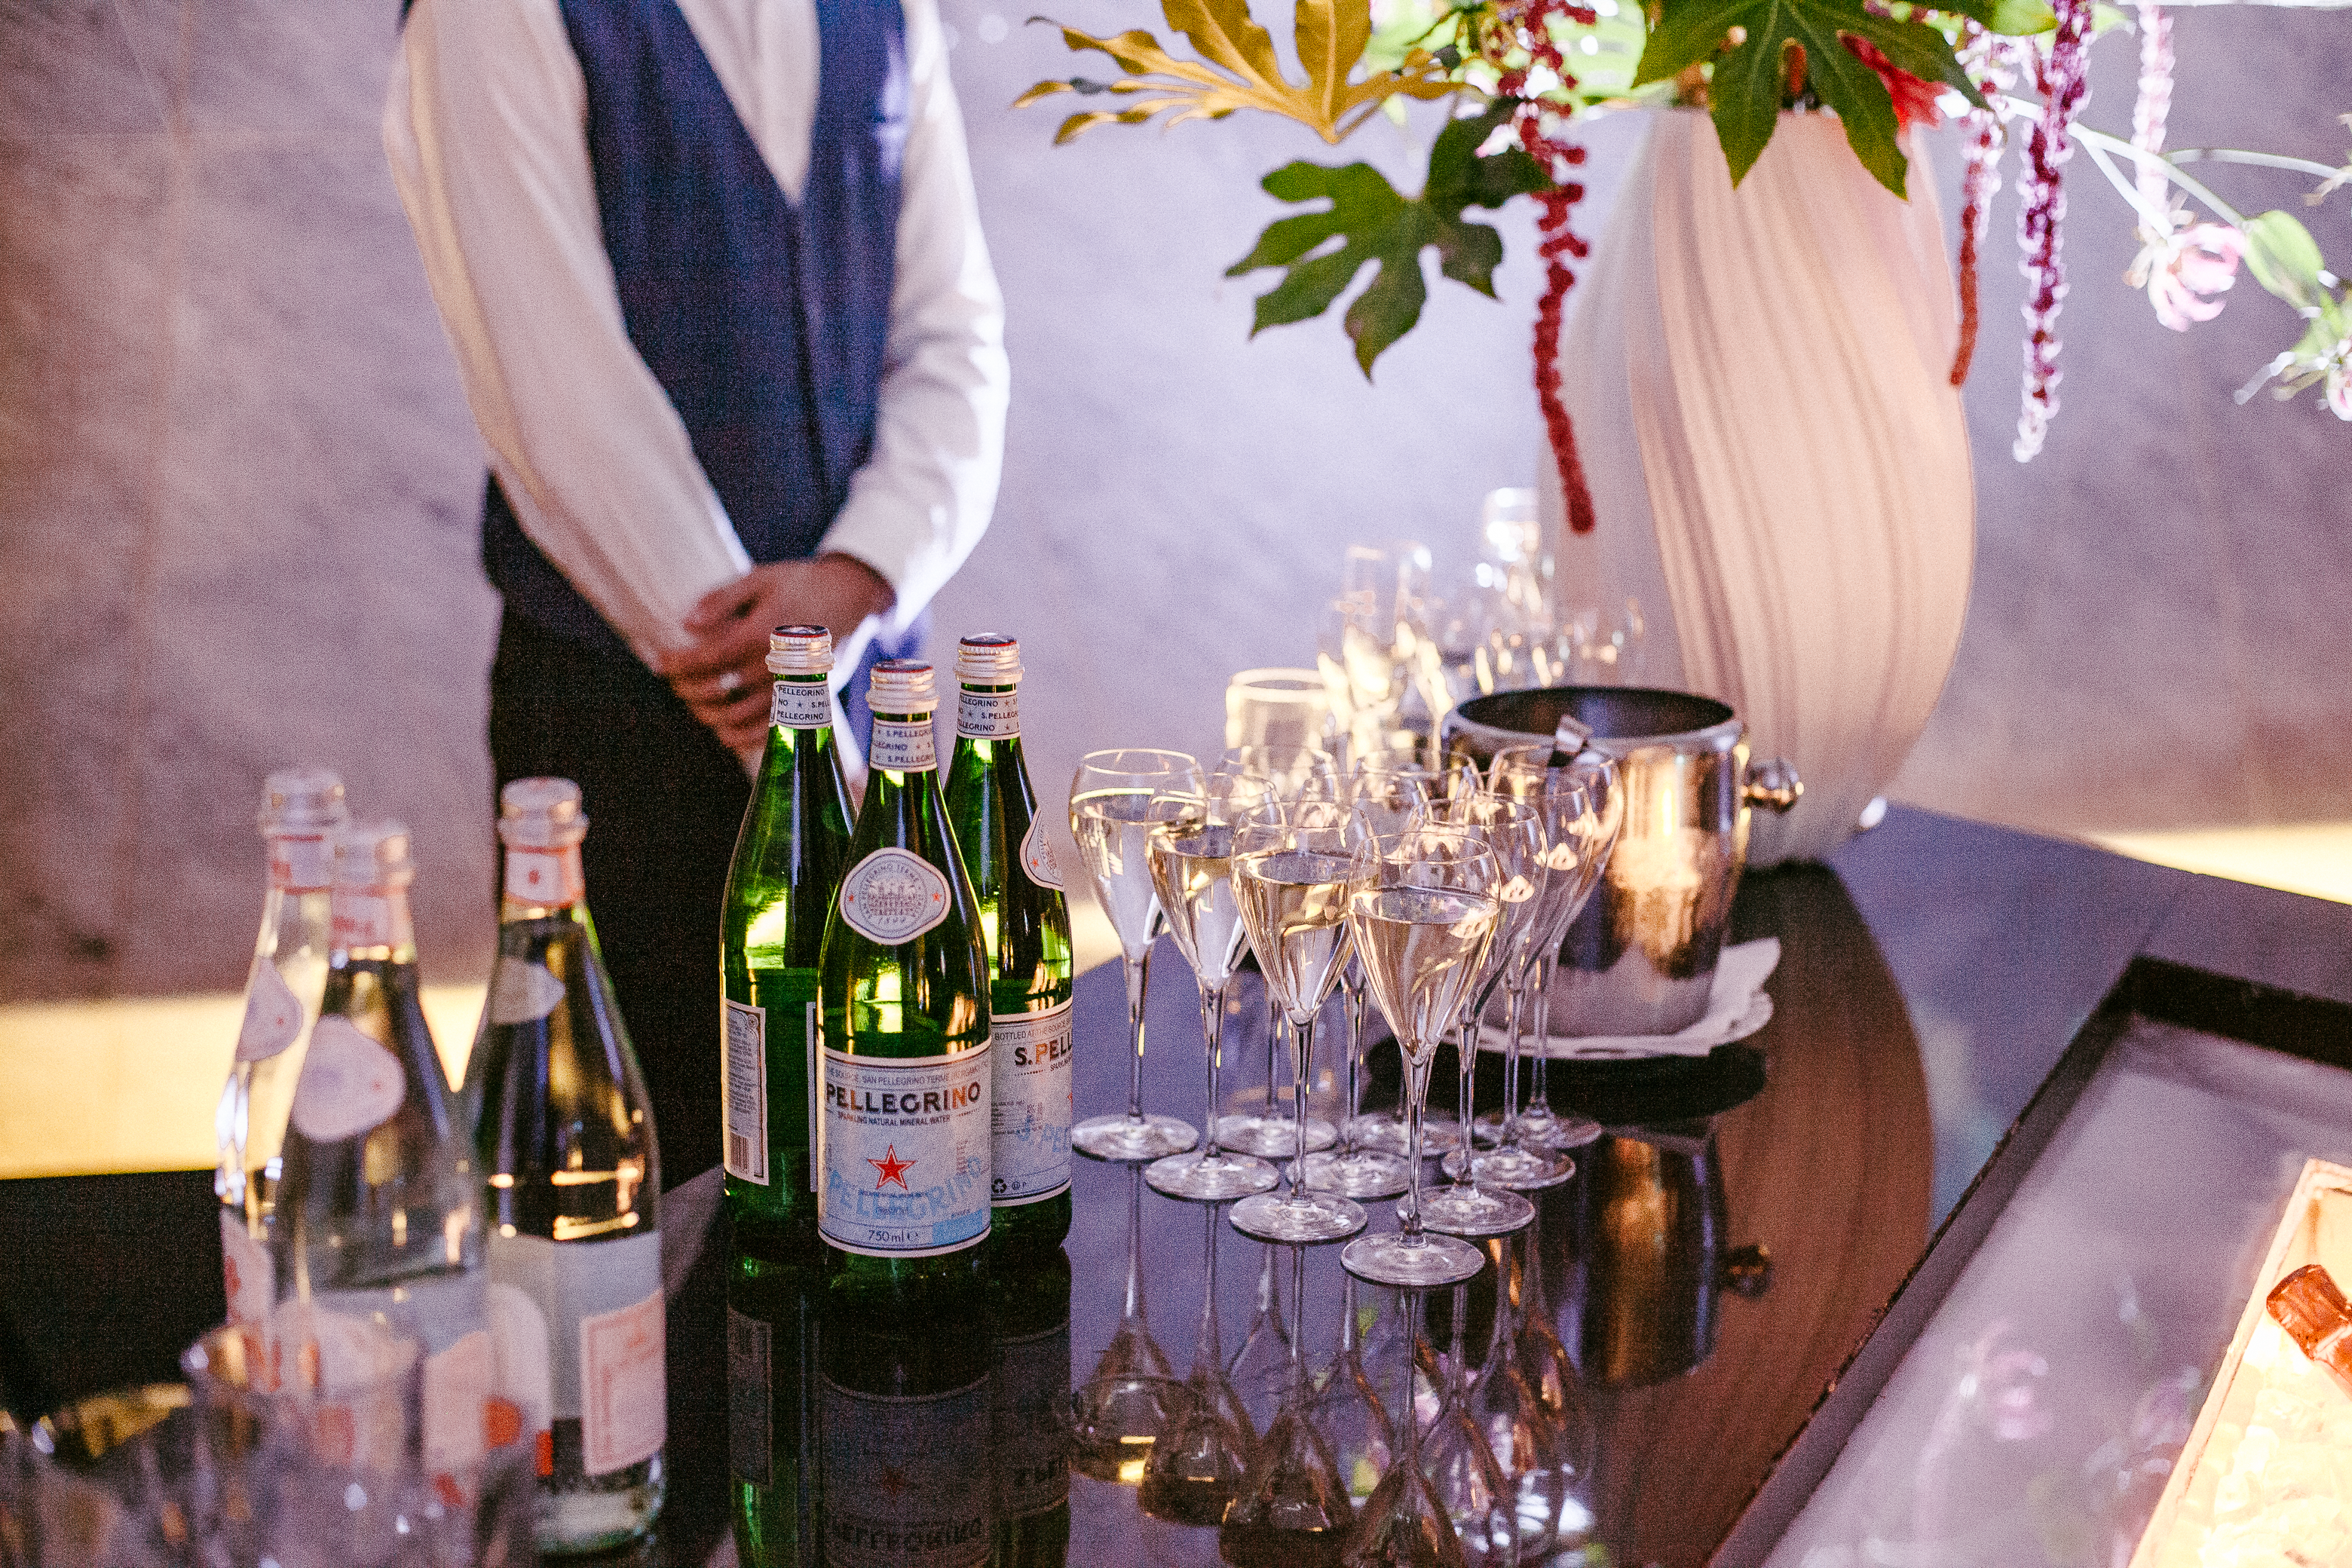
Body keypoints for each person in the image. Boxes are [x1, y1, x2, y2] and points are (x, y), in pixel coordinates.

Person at [384, 0, 1009, 1186]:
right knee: (645, 1178)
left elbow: (956, 333)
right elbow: (553, 381)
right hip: (625, 726)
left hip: (881, 696)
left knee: (903, 1148)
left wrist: (867, 572)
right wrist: (753, 669)